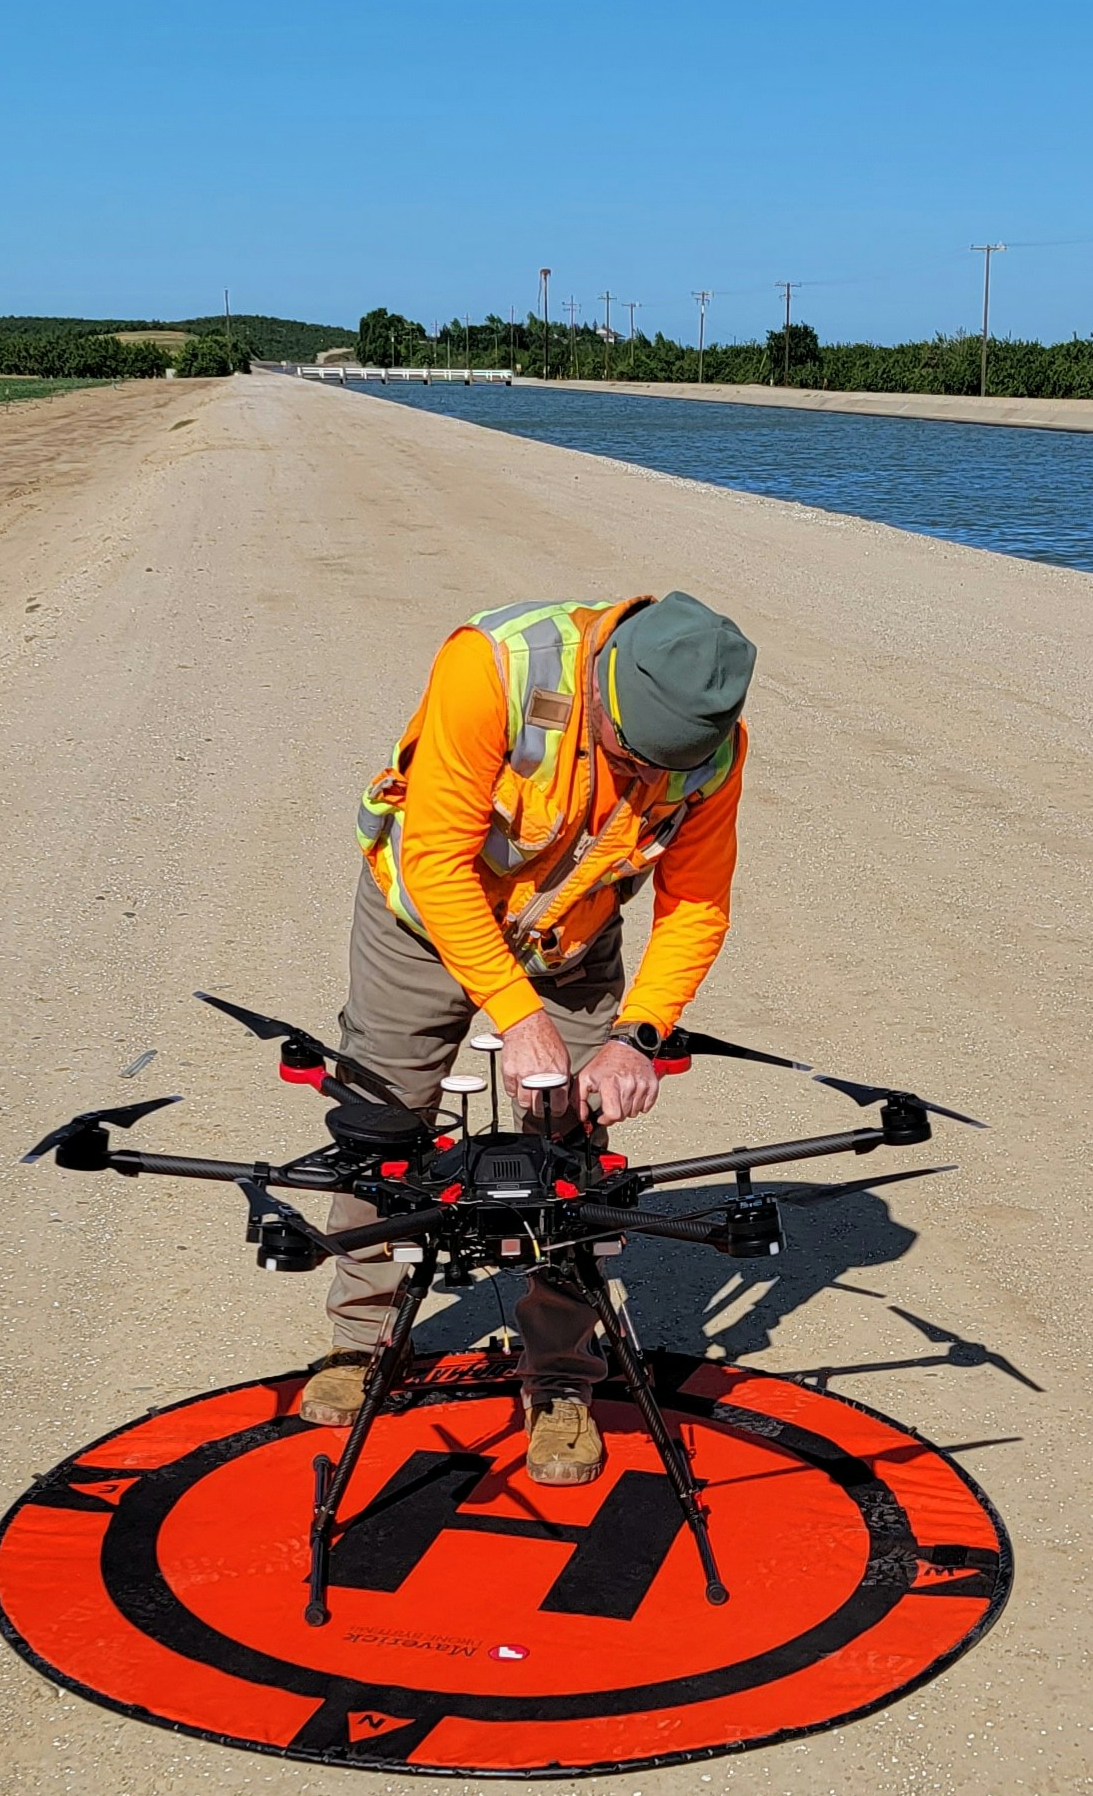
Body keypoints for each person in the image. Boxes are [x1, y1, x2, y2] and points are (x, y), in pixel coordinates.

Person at [298, 589, 756, 1485]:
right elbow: (435, 859)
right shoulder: (493, 670)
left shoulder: (712, 751)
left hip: (573, 939)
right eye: (631, 760)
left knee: (572, 1157)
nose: (648, 784)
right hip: (425, 923)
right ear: (603, 691)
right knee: (379, 1125)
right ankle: (360, 1340)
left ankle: (561, 1380)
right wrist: (516, 1013)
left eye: (667, 769)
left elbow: (697, 902)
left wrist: (639, 1033)